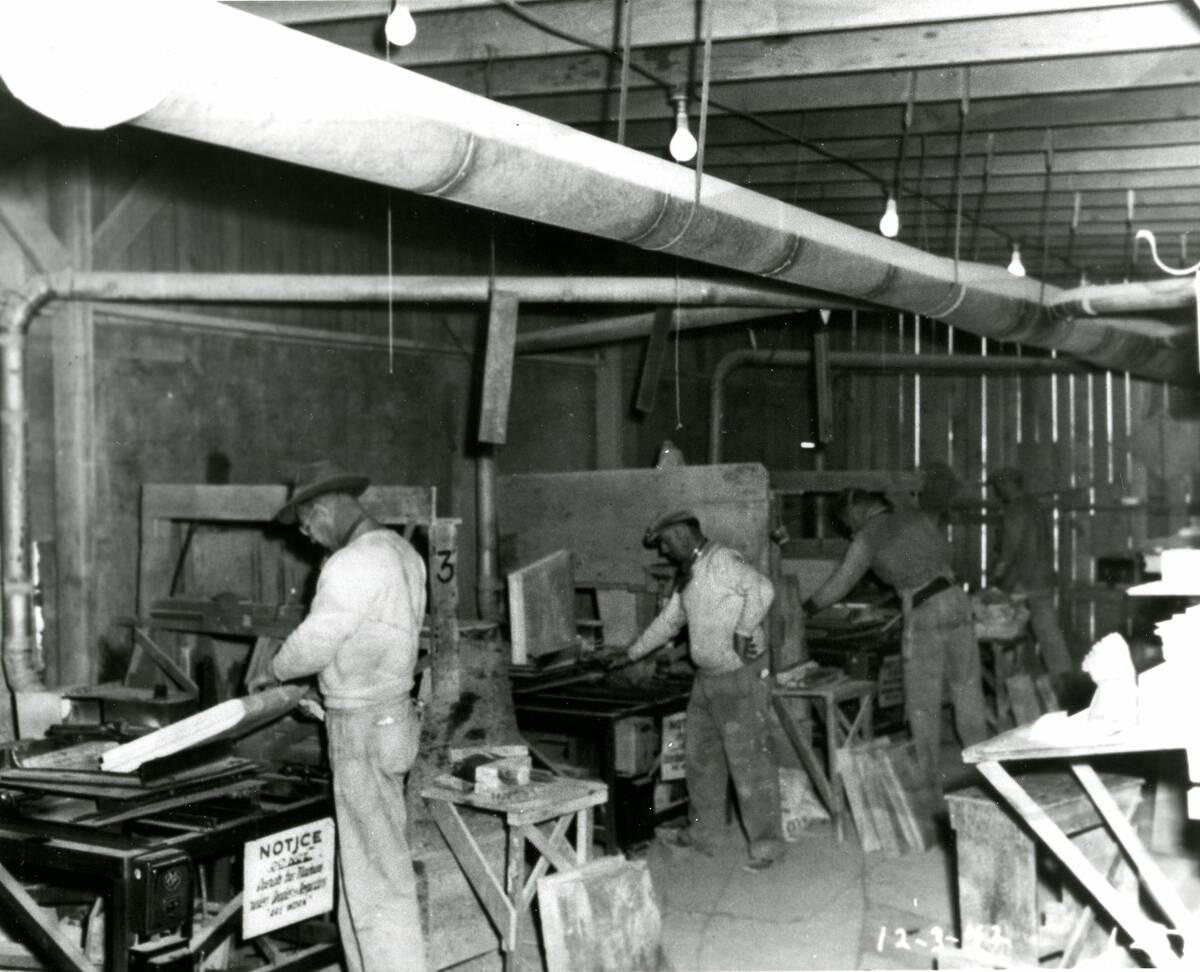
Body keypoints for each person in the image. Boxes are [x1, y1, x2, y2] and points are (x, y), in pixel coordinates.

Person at [268, 461, 428, 972]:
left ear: (322, 508)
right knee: (370, 870)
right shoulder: (404, 553)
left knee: (377, 880)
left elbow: (313, 645)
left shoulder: (350, 564)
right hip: (394, 718)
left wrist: (274, 672)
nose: (310, 537)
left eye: (307, 525)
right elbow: (369, 642)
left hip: (362, 730)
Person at [625, 510, 784, 872]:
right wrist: (631, 653)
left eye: (665, 543)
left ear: (680, 535)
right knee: (700, 763)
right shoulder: (691, 574)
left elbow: (763, 589)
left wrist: (744, 631)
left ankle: (768, 847)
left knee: (750, 765)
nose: (664, 552)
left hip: (738, 679)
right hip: (707, 681)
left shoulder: (722, 561)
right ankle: (705, 837)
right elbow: (670, 621)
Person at [801, 489, 988, 788]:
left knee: (921, 701)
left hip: (926, 612)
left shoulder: (867, 537)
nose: (850, 530)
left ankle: (928, 777)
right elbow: (947, 553)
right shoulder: (913, 516)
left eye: (847, 522)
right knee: (966, 689)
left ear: (855, 511)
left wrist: (806, 607)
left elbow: (841, 584)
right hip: (956, 600)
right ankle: (988, 768)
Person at [988, 467, 1072, 675]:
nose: (998, 492)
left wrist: (999, 582)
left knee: (1006, 635)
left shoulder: (1014, 510)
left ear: (1007, 484)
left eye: (998, 487)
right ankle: (1064, 679)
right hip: (1042, 581)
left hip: (1022, 583)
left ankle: (1013, 682)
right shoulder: (1035, 506)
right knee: (1049, 634)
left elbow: (1011, 552)